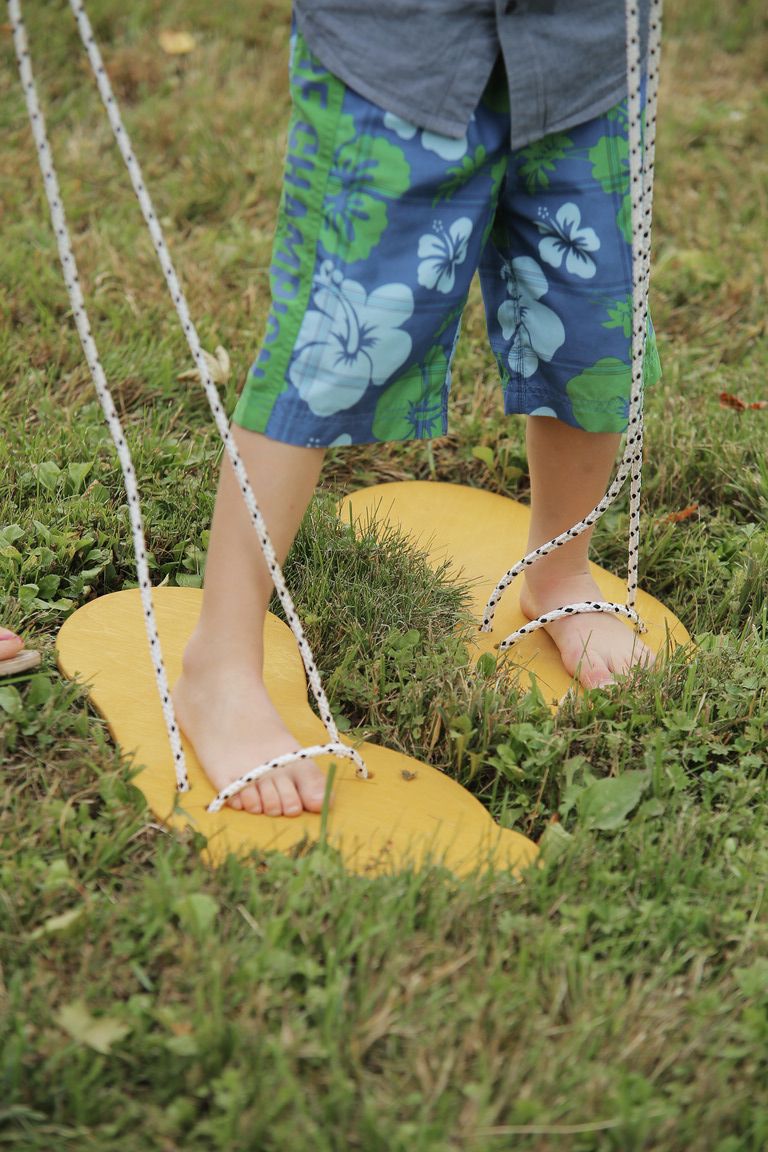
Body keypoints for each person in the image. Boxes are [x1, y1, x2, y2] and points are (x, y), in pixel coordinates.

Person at [174, 0, 658, 816]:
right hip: (396, 60)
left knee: (591, 325)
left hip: (586, 57)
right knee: (334, 341)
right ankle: (218, 662)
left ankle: (561, 573)